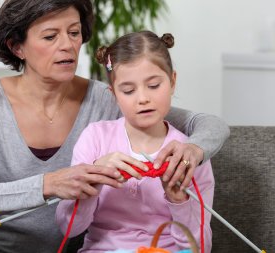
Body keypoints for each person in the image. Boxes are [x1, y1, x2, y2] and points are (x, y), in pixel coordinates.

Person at [0, 0, 228, 252]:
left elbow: (206, 123)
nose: (67, 45)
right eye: (51, 36)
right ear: (17, 47)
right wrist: (51, 183)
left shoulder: (108, 97)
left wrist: (194, 150)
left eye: (74, 33)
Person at [55, 31, 214, 253]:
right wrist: (93, 182)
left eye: (154, 85)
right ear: (114, 95)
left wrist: (179, 201)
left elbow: (200, 248)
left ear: (172, 81)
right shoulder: (95, 138)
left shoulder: (188, 155)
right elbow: (69, 229)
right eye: (128, 90)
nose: (142, 98)